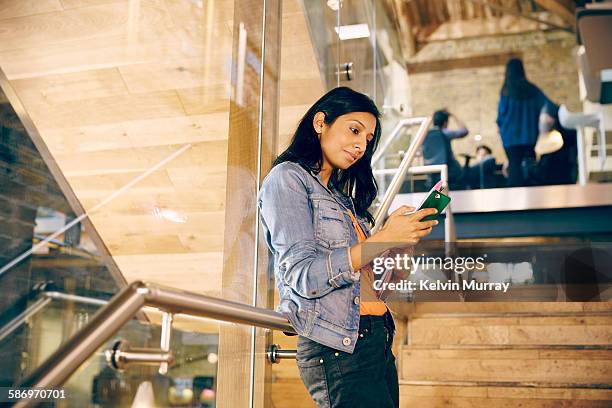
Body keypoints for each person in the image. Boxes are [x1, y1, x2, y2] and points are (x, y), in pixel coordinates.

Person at [257, 87, 438, 407]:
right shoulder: (287, 179)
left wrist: (399, 245)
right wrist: (383, 238)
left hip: (375, 337)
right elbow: (303, 276)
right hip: (338, 347)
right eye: (354, 130)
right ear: (320, 123)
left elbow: (376, 284)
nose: (360, 145)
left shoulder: (343, 200)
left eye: (368, 139)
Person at [496, 58, 551, 187]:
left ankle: (515, 200)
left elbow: (500, 116)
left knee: (514, 165)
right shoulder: (532, 90)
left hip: (510, 138)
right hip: (529, 136)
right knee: (530, 164)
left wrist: (500, 127)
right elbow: (548, 105)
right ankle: (532, 196)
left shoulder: (506, 91)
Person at [421, 109, 469, 190]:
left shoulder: (425, 135)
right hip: (450, 172)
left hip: (432, 173)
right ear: (445, 123)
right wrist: (453, 115)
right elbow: (464, 131)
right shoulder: (445, 133)